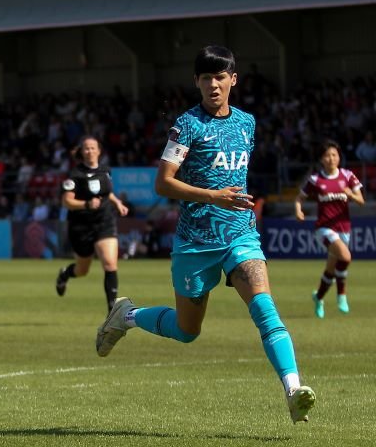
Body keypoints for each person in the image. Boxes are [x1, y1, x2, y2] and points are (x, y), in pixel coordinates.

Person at [95, 46, 316, 424]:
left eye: (220, 77)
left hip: (240, 237)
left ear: (233, 79)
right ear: (196, 82)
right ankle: (127, 315)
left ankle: (294, 390)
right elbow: (163, 184)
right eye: (206, 78)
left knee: (265, 309)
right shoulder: (187, 125)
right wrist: (213, 196)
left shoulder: (247, 123)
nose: (213, 85)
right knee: (187, 331)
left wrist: (230, 204)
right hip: (196, 242)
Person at [55, 136, 129, 314]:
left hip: (104, 221)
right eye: (86, 148)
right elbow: (66, 202)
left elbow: (107, 193)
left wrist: (117, 203)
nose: (89, 151)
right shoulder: (75, 175)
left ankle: (112, 310)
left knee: (110, 264)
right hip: (81, 226)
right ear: (82, 152)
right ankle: (65, 274)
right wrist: (86, 204)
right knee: (82, 270)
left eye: (93, 148)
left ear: (99, 151)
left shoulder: (105, 170)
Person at [295, 140, 365, 318]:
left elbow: (361, 201)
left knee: (331, 269)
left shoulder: (348, 176)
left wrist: (350, 194)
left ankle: (318, 297)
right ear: (321, 159)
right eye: (327, 155)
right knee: (346, 257)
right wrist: (298, 211)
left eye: (334, 154)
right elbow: (299, 198)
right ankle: (342, 295)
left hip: (344, 227)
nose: (331, 158)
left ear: (339, 157)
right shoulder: (316, 179)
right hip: (324, 227)